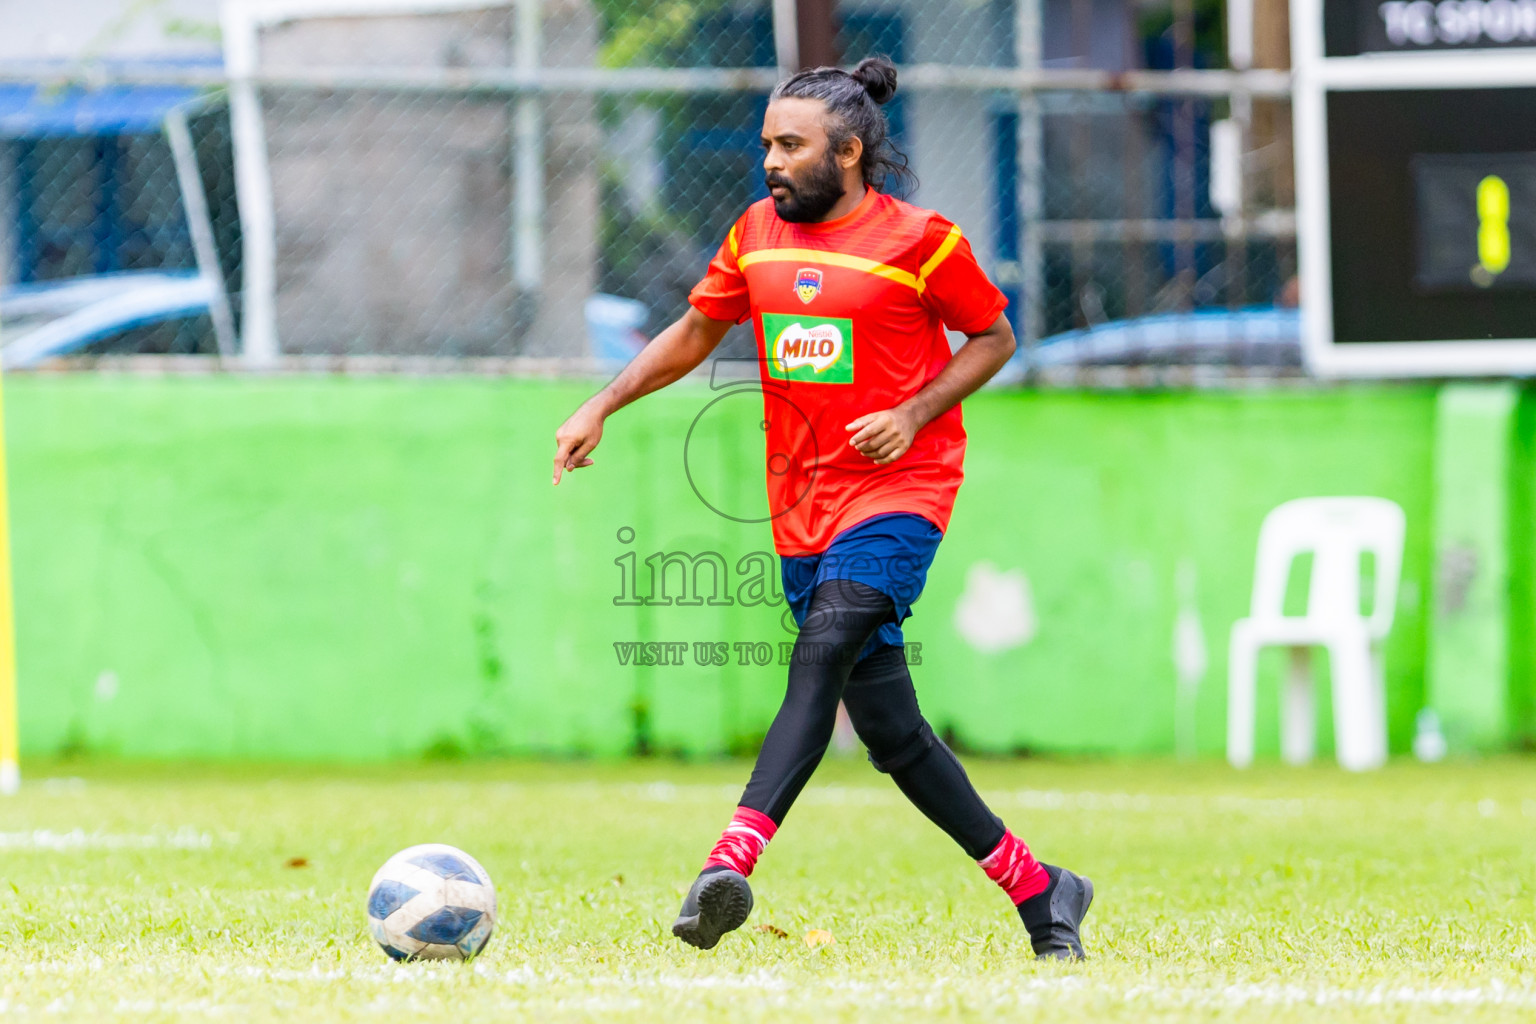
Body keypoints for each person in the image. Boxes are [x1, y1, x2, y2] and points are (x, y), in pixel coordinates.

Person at [552, 56, 1092, 960]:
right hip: (801, 508)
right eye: (767, 143)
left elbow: (993, 335)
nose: (770, 160)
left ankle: (730, 862)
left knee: (826, 645)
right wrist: (602, 403)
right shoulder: (756, 233)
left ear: (847, 152)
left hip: (901, 492)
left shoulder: (924, 240)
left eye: (790, 145)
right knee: (894, 736)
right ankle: (1043, 892)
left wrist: (914, 411)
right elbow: (694, 332)